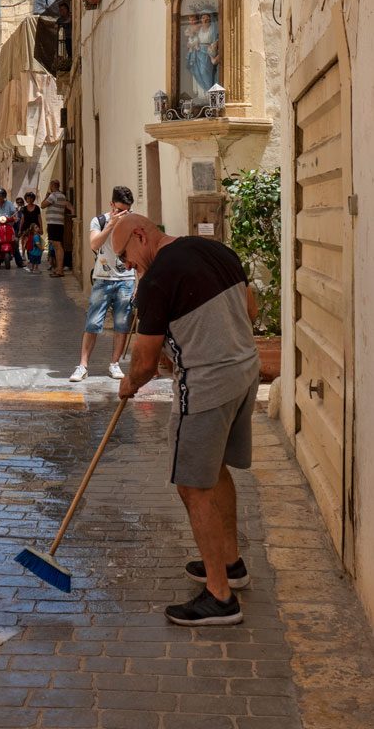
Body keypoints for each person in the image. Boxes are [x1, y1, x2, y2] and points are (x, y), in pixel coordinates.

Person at [111, 214, 260, 627]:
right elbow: (250, 308)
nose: (127, 265)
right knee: (216, 472)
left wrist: (129, 384)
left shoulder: (158, 280)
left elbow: (142, 362)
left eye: (125, 254)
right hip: (244, 373)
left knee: (192, 484)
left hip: (208, 386)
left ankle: (219, 597)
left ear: (141, 235)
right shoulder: (213, 249)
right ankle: (230, 564)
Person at [69, 186, 135, 383]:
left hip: (126, 280)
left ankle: (115, 364)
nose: (124, 214)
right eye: (120, 209)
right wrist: (111, 225)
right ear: (111, 205)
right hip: (103, 279)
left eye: (127, 210)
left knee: (122, 324)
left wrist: (139, 281)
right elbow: (94, 244)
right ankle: (83, 366)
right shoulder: (99, 221)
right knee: (93, 322)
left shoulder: (134, 222)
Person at [41, 180, 74, 276]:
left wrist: (47, 196)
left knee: (58, 246)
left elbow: (42, 205)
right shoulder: (62, 196)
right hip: (59, 223)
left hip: (54, 223)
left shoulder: (53, 196)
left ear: (52, 186)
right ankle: (58, 268)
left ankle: (60, 269)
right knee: (56, 246)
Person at [18, 192, 43, 257]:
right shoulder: (24, 208)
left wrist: (41, 228)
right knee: (24, 241)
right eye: (28, 198)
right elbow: (22, 219)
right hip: (25, 227)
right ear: (26, 199)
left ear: (33, 199)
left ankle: (32, 256)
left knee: (33, 242)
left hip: (34, 228)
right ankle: (23, 255)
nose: (29, 199)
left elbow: (39, 218)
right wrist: (20, 229)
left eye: (31, 198)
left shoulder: (37, 207)